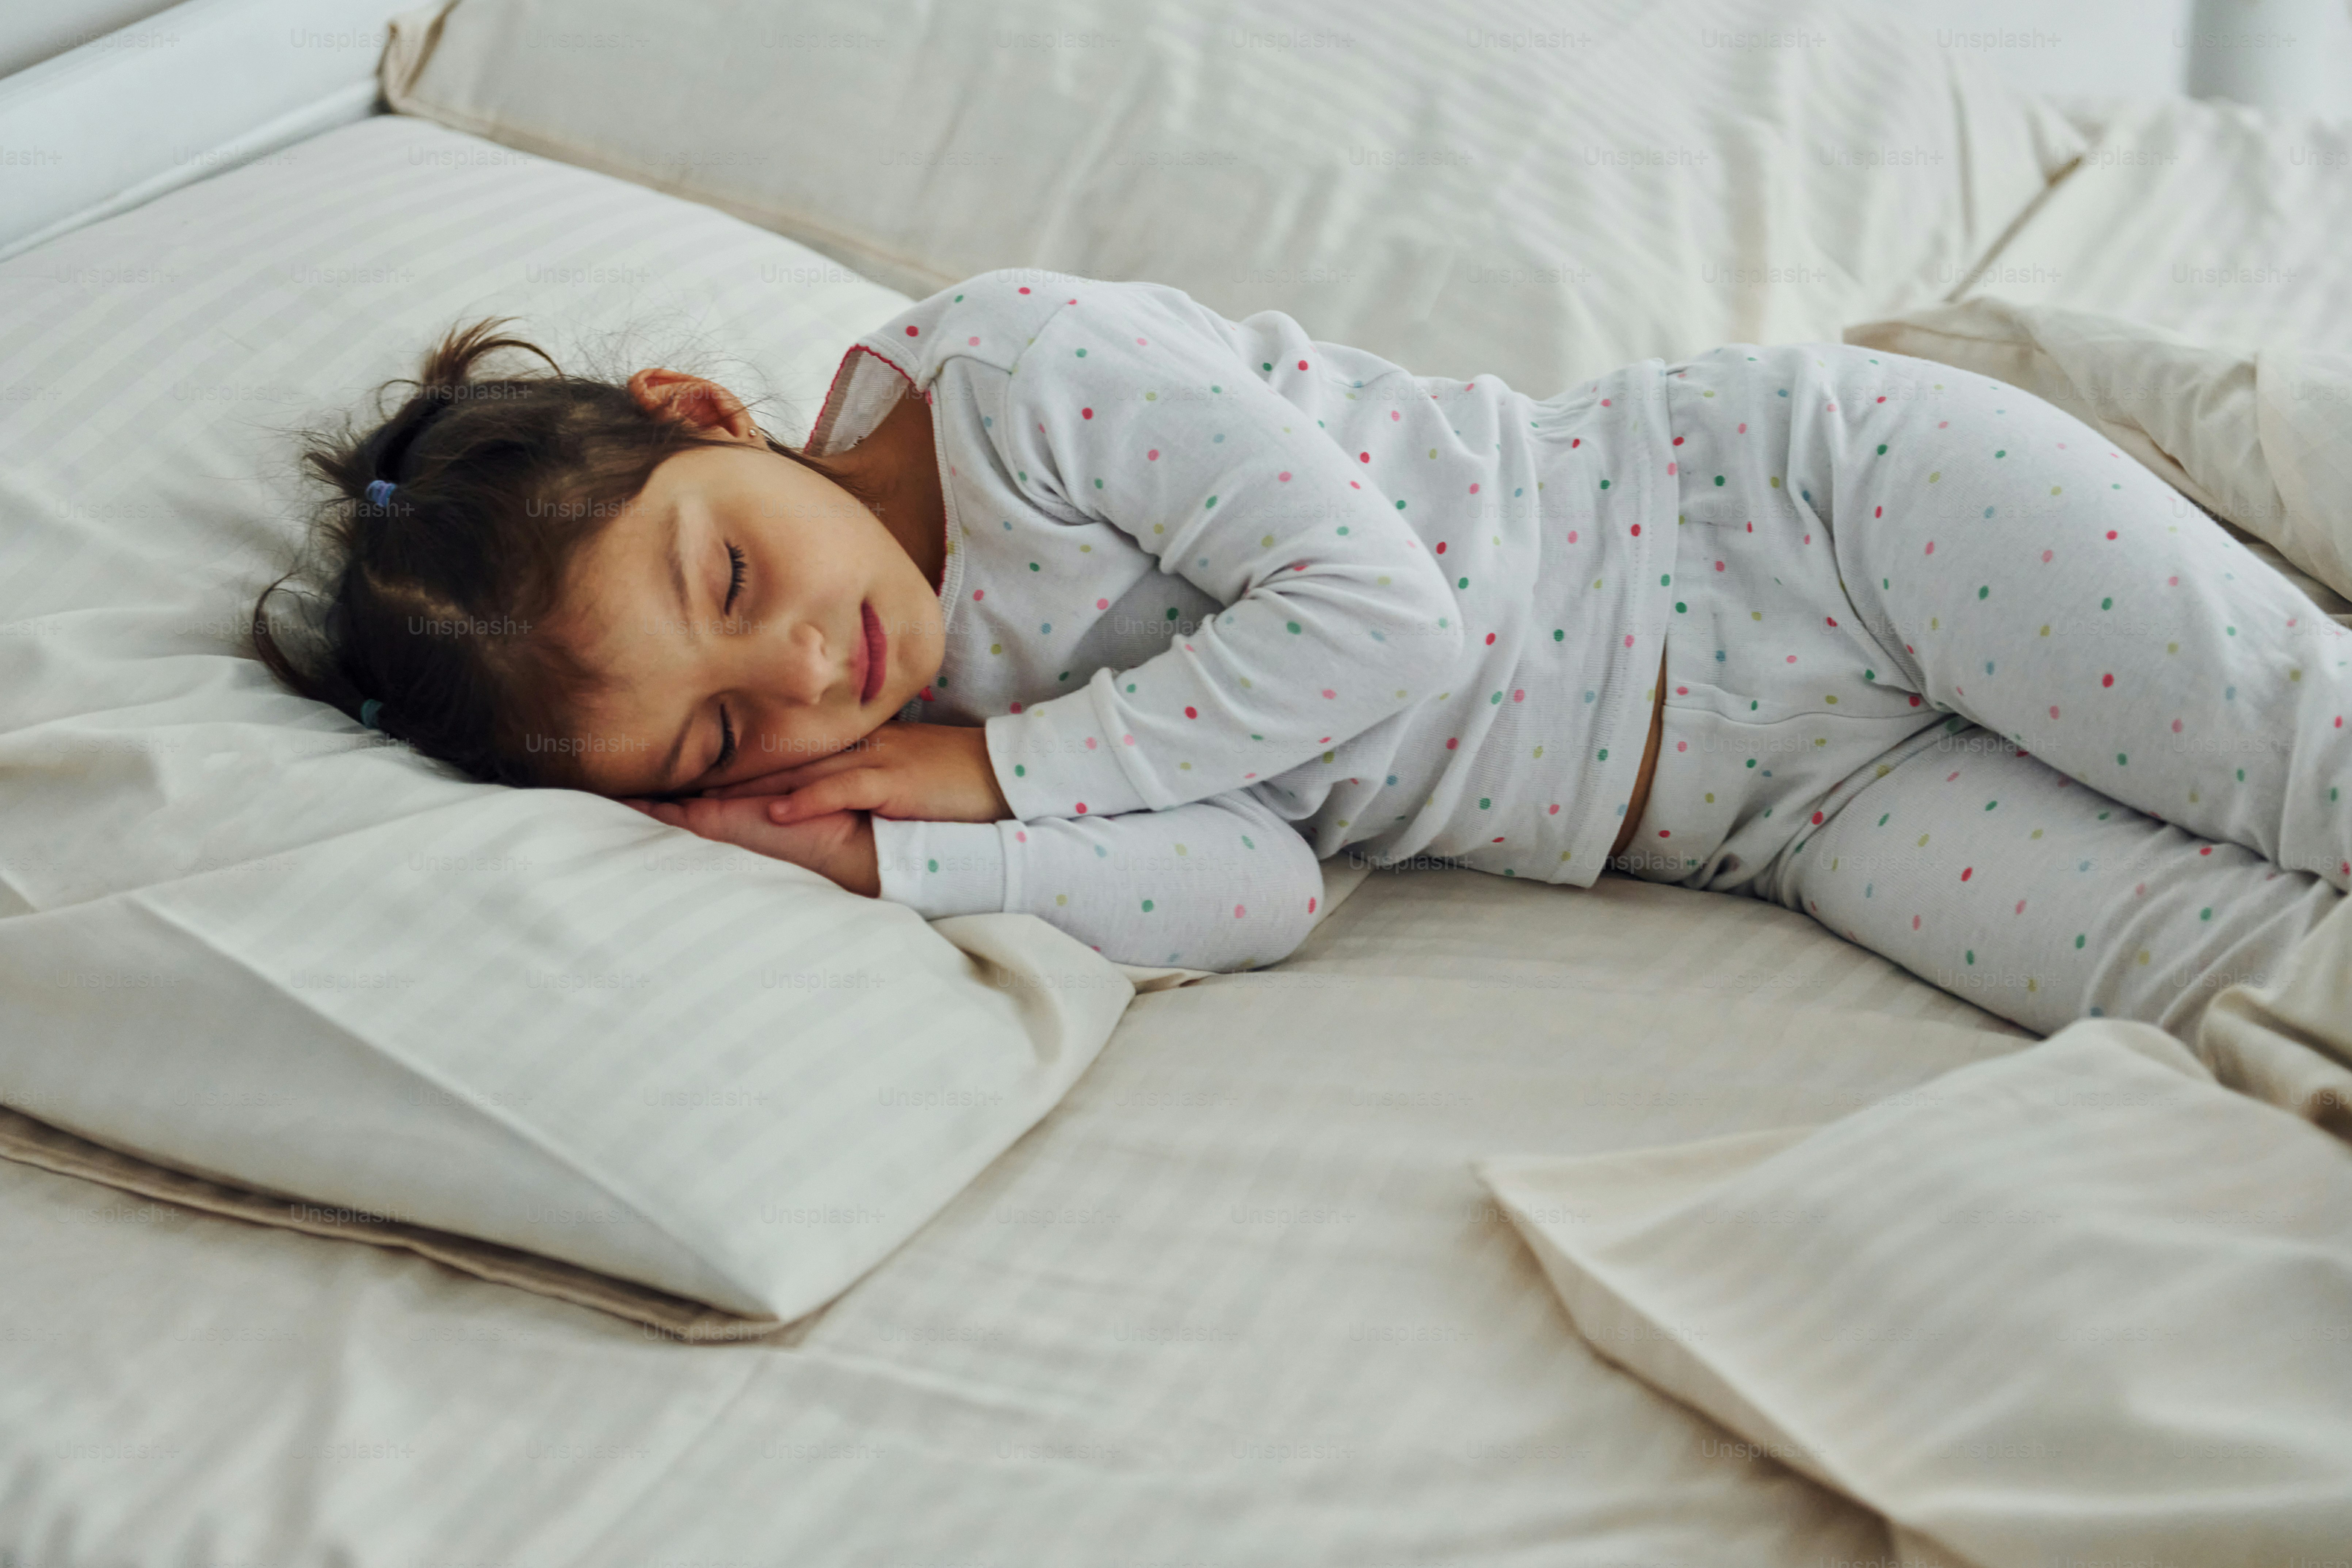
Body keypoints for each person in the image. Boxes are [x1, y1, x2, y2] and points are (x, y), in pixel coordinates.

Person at [253, 270, 2352, 1039]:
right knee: (2206, 980)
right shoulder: (927, 735)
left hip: (1808, 524)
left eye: (728, 583)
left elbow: (1380, 619)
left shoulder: (1027, 379)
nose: (806, 675)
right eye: (717, 730)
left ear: (708, 415)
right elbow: (1263, 884)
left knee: (2295, 753)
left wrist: (1010, 780)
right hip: (1773, 812)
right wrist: (894, 854)